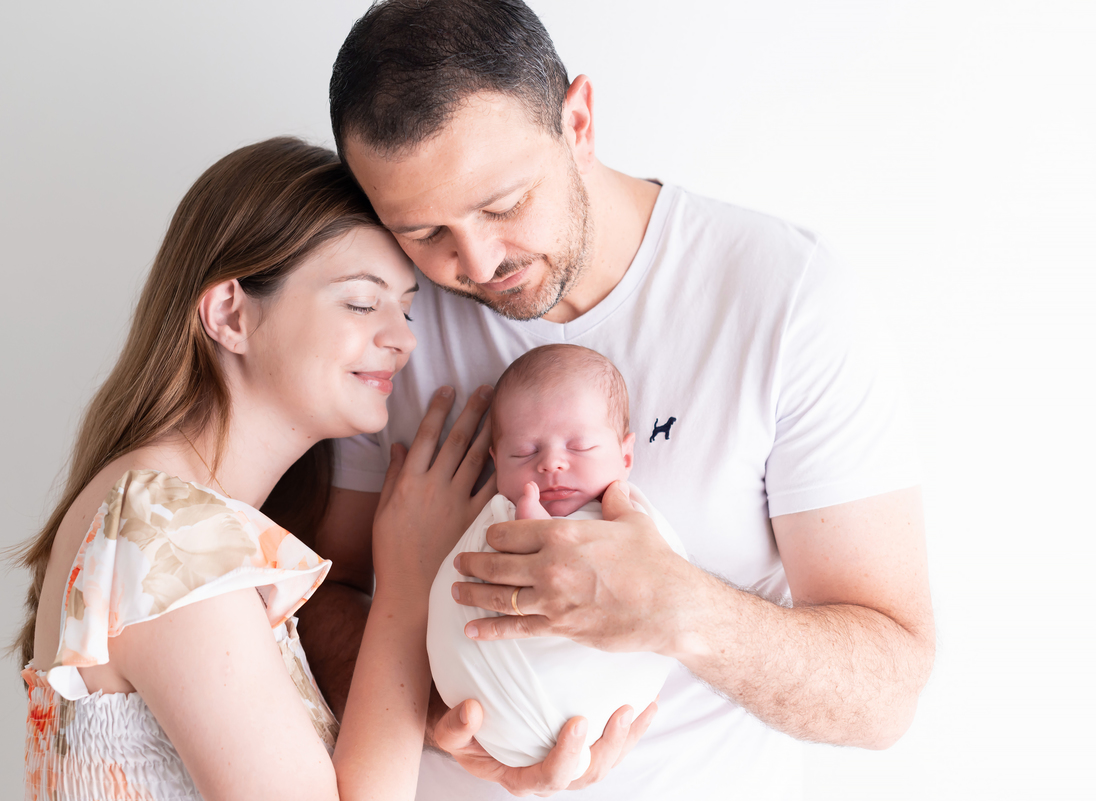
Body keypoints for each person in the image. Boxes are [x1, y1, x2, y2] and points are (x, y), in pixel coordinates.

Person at [280, 1, 937, 799]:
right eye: (423, 233)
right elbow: (312, 598)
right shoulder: (382, 318)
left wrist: (681, 608)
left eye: (503, 205)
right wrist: (427, 715)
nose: (476, 262)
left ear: (579, 122)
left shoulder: (785, 297)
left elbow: (886, 694)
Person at [11, 136, 577, 801]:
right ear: (230, 314)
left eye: (406, 307)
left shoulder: (166, 513)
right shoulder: (166, 528)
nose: (404, 338)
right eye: (362, 302)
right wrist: (407, 583)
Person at [427, 344, 685, 782]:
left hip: (607, 705)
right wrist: (527, 526)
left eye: (580, 446)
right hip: (487, 711)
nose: (551, 463)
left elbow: (669, 580)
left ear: (625, 457)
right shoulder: (497, 518)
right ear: (496, 463)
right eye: (524, 453)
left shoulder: (634, 520)